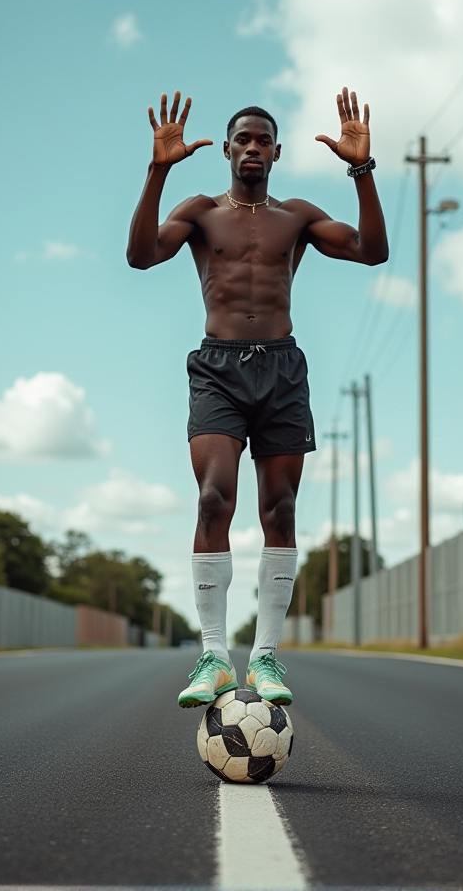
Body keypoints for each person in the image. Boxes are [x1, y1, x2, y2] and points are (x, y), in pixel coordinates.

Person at [127, 87, 388, 707]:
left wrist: (362, 170)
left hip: (281, 368)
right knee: (215, 497)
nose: (251, 147)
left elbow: (371, 251)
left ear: (276, 152)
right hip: (217, 368)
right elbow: (139, 257)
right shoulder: (199, 212)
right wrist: (157, 173)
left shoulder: (295, 216)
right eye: (242, 138)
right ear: (225, 149)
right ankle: (215, 655)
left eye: (262, 140)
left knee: (281, 508)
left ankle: (266, 659)